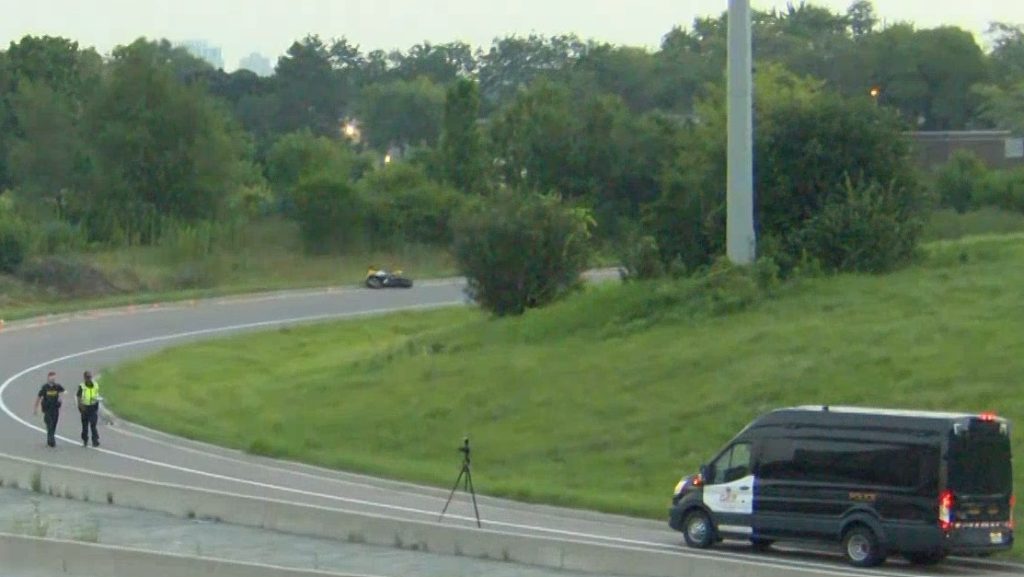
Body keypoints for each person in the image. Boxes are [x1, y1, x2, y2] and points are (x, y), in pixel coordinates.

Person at [33, 371, 65, 448]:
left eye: (54, 378)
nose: (53, 379)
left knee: (54, 424)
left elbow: (64, 392)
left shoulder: (57, 386)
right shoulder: (45, 387)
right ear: (48, 378)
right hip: (47, 409)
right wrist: (35, 408)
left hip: (55, 409)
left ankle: (50, 439)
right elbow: (39, 397)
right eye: (51, 377)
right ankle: (51, 441)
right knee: (49, 424)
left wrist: (61, 398)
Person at [76, 371, 101, 448]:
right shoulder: (82, 386)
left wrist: (97, 402)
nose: (88, 379)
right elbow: (78, 397)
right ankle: (85, 440)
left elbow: (97, 394)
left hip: (93, 407)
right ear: (84, 378)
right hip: (85, 407)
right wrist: (80, 406)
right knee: (85, 426)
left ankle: (95, 440)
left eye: (89, 377)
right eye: (87, 377)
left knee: (93, 424)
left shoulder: (96, 385)